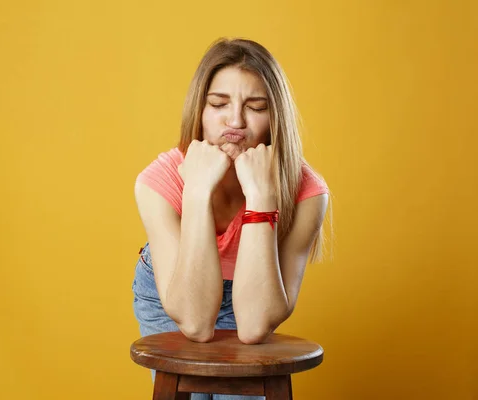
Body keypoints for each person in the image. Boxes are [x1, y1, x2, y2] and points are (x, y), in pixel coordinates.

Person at [132, 37, 331, 400]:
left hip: (254, 290)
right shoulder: (155, 183)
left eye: (255, 106)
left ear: (275, 119)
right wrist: (196, 191)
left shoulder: (308, 194)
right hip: (172, 290)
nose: (236, 120)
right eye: (218, 103)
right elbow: (194, 322)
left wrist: (261, 197)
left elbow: (254, 325)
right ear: (200, 112)